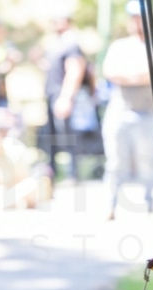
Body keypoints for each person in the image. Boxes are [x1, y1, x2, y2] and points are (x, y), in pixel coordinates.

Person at [101, 0, 153, 220]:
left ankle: (148, 204)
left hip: (148, 112)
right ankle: (110, 204)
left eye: (140, 17)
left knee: (147, 161)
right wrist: (137, 76)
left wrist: (132, 75)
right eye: (133, 17)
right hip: (120, 109)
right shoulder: (119, 46)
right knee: (115, 160)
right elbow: (110, 71)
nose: (136, 22)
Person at [39, 11, 90, 183]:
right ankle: (53, 173)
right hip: (52, 95)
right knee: (52, 137)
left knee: (67, 136)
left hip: (63, 96)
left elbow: (75, 69)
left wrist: (66, 97)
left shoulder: (71, 43)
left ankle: (72, 174)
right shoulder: (55, 43)